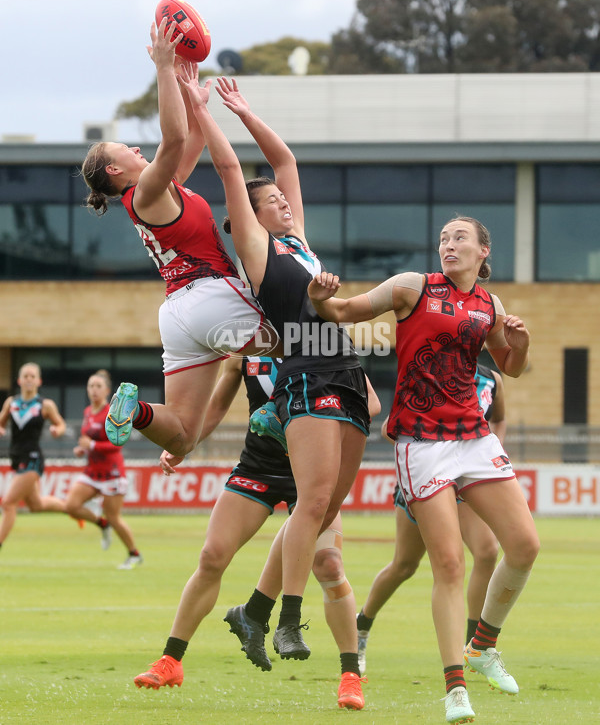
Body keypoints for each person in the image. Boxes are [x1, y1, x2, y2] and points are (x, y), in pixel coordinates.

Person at [165, 71, 371, 662]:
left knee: (326, 507)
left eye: (282, 198)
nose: (282, 199)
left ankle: (251, 611)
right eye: (271, 201)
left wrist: (245, 111)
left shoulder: (301, 240)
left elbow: (285, 161)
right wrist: (203, 114)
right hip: (306, 371)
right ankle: (287, 621)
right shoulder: (260, 250)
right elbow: (233, 173)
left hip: (347, 369)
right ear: (250, 219)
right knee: (311, 504)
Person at [307, 216, 540, 724]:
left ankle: (483, 646)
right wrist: (320, 295)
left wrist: (519, 343)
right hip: (421, 443)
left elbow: (511, 367)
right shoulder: (412, 287)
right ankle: (455, 689)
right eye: (443, 238)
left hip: (474, 437)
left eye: (460, 238)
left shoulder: (490, 305)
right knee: (448, 565)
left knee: (524, 546)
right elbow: (343, 311)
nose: (448, 245)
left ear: (483, 251)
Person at [80, 19, 278, 461]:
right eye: (125, 151)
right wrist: (164, 69)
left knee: (183, 436)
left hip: (179, 314)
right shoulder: (144, 192)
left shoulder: (165, 187)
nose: (135, 149)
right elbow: (171, 138)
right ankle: (277, 414)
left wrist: (194, 97)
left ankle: (137, 412)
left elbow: (186, 140)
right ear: (115, 172)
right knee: (308, 342)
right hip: (210, 297)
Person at [134, 355, 379, 709]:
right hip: (258, 468)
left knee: (329, 565)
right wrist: (182, 446)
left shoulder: (324, 344)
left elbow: (369, 402)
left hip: (313, 474)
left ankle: (350, 677)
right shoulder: (245, 352)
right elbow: (216, 406)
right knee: (211, 556)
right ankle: (170, 661)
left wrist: (300, 415)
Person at [356, 364, 506, 675]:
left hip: (465, 483)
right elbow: (388, 429)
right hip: (427, 480)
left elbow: (498, 419)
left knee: (488, 551)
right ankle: (361, 626)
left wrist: (491, 452)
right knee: (404, 566)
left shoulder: (492, 380)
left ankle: (475, 647)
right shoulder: (429, 374)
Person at [64, 370, 143, 570]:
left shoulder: (113, 412)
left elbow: (117, 444)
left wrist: (91, 446)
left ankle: (134, 554)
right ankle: (101, 524)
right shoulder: (87, 412)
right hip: (92, 472)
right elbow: (87, 440)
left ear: (107, 390)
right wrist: (82, 449)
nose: (94, 390)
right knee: (71, 506)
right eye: (91, 386)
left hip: (112, 473)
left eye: (98, 386)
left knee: (115, 517)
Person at [0, 362, 67, 549]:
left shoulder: (45, 405)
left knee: (8, 503)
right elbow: (1, 423)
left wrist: (57, 430)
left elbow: (61, 425)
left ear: (39, 381)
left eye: (32, 376)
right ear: (19, 380)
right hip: (17, 457)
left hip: (33, 458)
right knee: (36, 505)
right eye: (26, 376)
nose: (29, 379)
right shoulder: (11, 403)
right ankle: (71, 507)